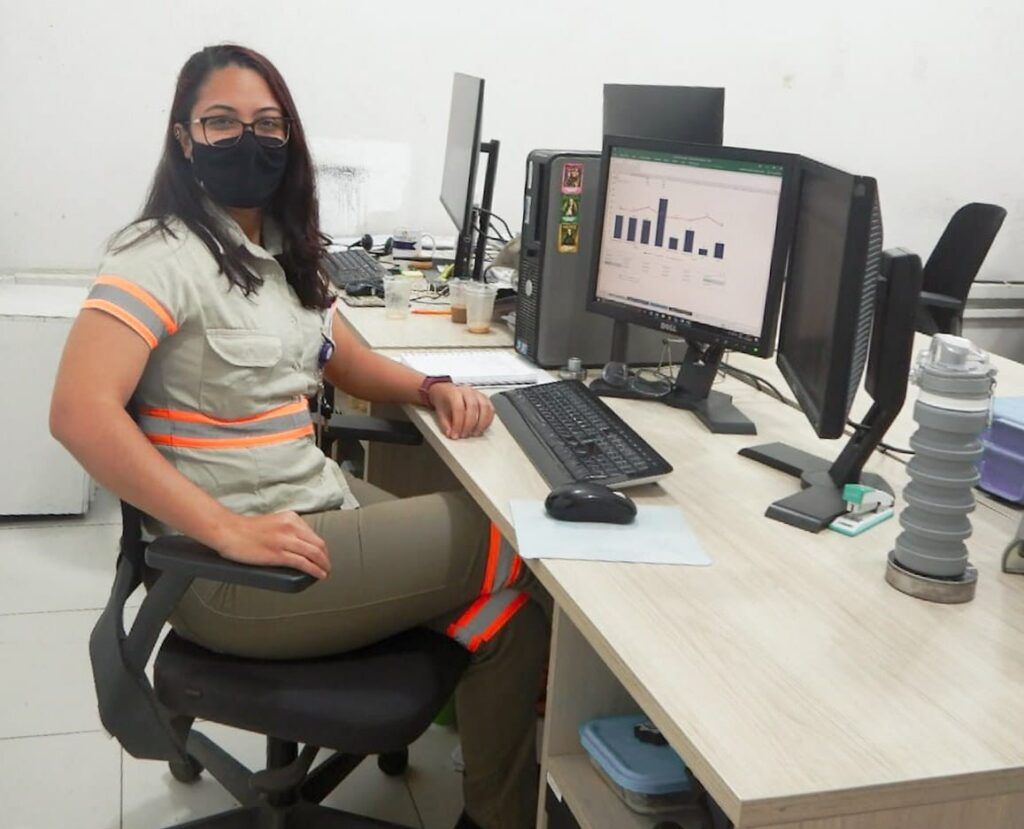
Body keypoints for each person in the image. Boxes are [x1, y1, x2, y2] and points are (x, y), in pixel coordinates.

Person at [49, 44, 547, 829]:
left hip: (310, 503)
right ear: (184, 139)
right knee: (514, 539)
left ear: (289, 136)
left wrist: (429, 387)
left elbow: (335, 352)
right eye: (222, 122)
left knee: (512, 617)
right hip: (230, 569)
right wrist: (225, 529)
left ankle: (494, 817)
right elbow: (78, 411)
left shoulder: (277, 246)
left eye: (267, 123)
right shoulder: (158, 254)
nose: (248, 140)